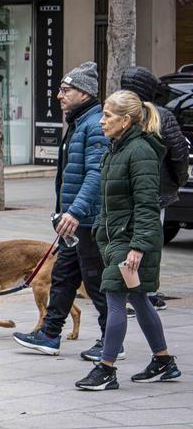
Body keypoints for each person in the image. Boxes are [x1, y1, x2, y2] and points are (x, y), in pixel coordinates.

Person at [75, 90, 180, 390]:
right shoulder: (117, 148)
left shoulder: (141, 152)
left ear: (126, 120)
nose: (102, 121)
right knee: (138, 297)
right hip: (115, 236)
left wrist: (137, 247)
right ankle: (164, 361)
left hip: (129, 239)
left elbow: (148, 205)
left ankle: (106, 369)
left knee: (115, 297)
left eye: (108, 116)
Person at [13, 61, 110, 358]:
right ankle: (50, 333)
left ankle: (111, 341)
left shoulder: (94, 125)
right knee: (64, 277)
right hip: (72, 222)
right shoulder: (79, 122)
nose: (59, 95)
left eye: (66, 90)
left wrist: (76, 211)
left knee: (95, 282)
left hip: (87, 220)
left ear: (84, 92)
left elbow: (96, 173)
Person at [118, 65, 191, 311]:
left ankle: (127, 291)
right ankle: (145, 292)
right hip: (155, 193)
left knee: (124, 240)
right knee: (148, 242)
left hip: (124, 192)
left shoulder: (119, 113)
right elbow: (179, 154)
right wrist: (178, 182)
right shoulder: (161, 115)